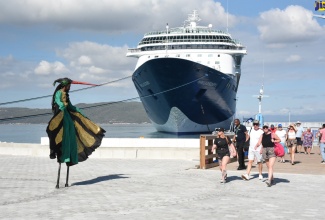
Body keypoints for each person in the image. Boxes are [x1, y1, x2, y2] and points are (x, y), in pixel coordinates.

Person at [47, 77, 106, 166]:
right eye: (69, 85)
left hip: (68, 117)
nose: (70, 87)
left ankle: (69, 156)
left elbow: (70, 106)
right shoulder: (59, 93)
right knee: (62, 135)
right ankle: (60, 154)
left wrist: (77, 110)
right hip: (62, 116)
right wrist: (61, 106)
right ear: (65, 85)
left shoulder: (66, 95)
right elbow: (58, 101)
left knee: (71, 136)